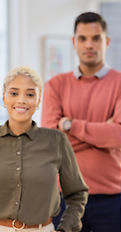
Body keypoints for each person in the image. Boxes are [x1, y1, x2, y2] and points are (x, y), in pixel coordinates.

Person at [41, 12, 121, 232]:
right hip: (64, 197)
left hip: (114, 198)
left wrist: (69, 126)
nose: (89, 44)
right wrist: (103, 132)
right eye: (83, 38)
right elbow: (49, 143)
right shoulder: (55, 85)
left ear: (106, 42)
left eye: (96, 38)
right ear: (74, 43)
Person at [0, 66, 88, 232]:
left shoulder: (56, 140)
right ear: (4, 98)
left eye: (30, 94)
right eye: (14, 93)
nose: (21, 100)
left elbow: (77, 193)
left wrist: (65, 228)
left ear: (39, 101)